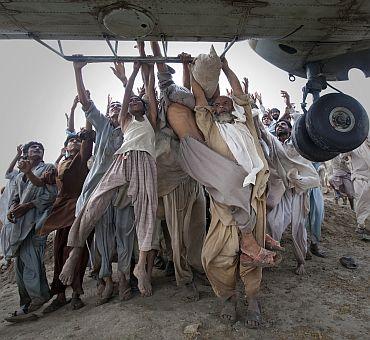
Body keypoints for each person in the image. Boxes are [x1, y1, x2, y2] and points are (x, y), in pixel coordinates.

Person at [189, 58, 280, 328]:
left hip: (254, 195)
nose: (220, 106)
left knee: (251, 255)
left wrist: (227, 69)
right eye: (216, 105)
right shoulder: (210, 128)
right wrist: (190, 70)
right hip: (223, 199)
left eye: (224, 103)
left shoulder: (246, 124)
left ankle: (252, 299)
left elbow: (239, 94)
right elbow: (198, 100)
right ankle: (228, 297)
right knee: (216, 254)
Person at [60, 59, 157, 298]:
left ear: (144, 107)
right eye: (128, 102)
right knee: (94, 203)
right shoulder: (123, 122)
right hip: (123, 160)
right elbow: (126, 96)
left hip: (145, 163)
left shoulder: (150, 120)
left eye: (138, 101)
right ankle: (76, 250)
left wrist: (146, 65)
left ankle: (140, 267)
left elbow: (150, 91)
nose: (132, 102)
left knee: (147, 211)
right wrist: (131, 74)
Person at [150, 41, 206, 301]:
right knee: (179, 233)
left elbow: (185, 94)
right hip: (173, 178)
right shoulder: (165, 102)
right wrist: (149, 41)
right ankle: (184, 278)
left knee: (197, 228)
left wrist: (186, 65)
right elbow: (163, 73)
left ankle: (197, 267)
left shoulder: (188, 103)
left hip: (193, 175)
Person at [39, 119, 95, 313]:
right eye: (71, 141)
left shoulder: (81, 159)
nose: (74, 142)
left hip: (77, 207)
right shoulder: (59, 165)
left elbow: (87, 143)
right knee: (59, 250)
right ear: (65, 147)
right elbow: (44, 182)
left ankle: (76, 294)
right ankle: (60, 295)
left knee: (75, 250)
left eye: (77, 141)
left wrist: (87, 116)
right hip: (60, 208)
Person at [257, 118, 320, 275]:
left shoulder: (298, 148)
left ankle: (301, 261)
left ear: (291, 130)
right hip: (281, 192)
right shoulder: (273, 146)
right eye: (277, 125)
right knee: (272, 222)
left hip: (298, 193)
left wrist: (297, 179)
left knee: (299, 228)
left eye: (283, 124)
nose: (279, 127)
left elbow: (310, 174)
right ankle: (268, 255)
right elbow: (263, 133)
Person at [5, 142, 57, 322]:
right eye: (33, 148)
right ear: (26, 153)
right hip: (19, 226)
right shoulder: (20, 176)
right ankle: (28, 301)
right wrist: (12, 209)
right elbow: (16, 197)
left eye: (40, 149)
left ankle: (36, 300)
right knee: (22, 265)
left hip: (37, 222)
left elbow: (50, 195)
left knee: (31, 263)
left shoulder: (48, 168)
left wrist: (29, 206)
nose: (38, 150)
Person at [346, 138, 370, 237]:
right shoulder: (355, 144)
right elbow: (343, 154)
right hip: (359, 179)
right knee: (361, 203)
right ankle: (361, 227)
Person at [306, 163, 326, 258]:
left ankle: (314, 244)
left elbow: (322, 162)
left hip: (315, 186)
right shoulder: (298, 149)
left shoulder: (320, 151)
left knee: (318, 214)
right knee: (302, 218)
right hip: (301, 186)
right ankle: (303, 247)